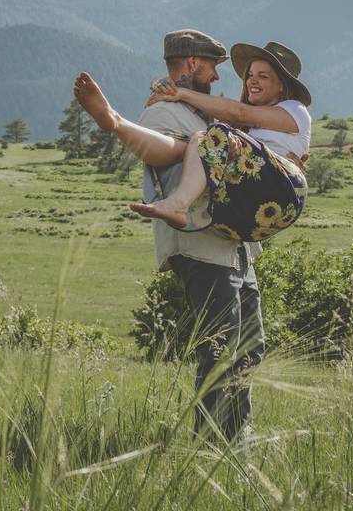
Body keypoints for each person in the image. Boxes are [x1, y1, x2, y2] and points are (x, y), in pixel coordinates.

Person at [73, 29, 264, 442]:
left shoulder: (194, 108)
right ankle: (214, 446)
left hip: (235, 248)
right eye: (213, 67)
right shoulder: (163, 114)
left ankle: (237, 437)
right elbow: (165, 150)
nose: (216, 77)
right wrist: (119, 125)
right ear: (193, 63)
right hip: (201, 245)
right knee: (220, 351)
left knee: (249, 348)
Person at [130, 41, 312, 243]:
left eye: (263, 76)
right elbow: (208, 122)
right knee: (198, 140)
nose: (252, 81)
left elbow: (239, 113)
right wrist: (167, 84)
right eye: (250, 75)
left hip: (281, 190)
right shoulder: (247, 131)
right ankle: (122, 129)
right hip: (249, 211)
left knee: (213, 135)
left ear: (281, 86)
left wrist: (180, 93)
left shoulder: (296, 109)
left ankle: (178, 204)